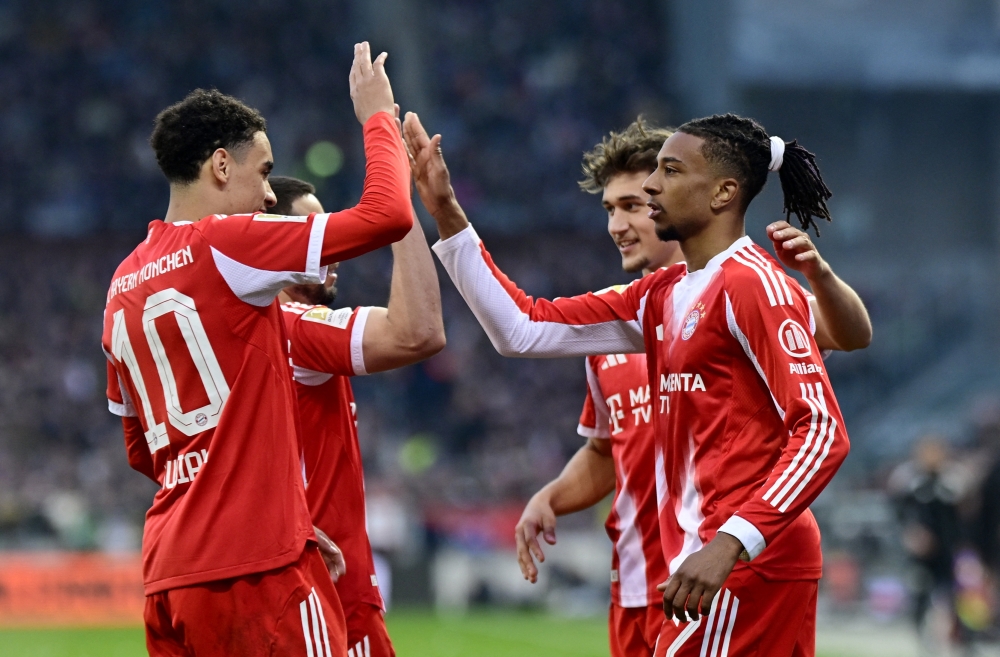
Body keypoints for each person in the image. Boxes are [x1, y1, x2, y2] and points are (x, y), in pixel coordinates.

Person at [405, 111, 852, 656]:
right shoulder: (662, 293)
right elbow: (520, 329)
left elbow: (823, 431)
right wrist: (446, 211)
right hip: (712, 556)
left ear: (723, 193)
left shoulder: (753, 285)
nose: (653, 186)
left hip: (738, 561)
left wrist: (733, 541)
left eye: (669, 172)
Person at [102, 43, 411, 656]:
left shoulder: (119, 286)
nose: (271, 195)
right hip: (258, 574)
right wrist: (378, 117)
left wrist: (274, 508)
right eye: (265, 171)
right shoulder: (229, 244)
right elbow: (386, 215)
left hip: (170, 578)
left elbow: (142, 449)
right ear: (221, 165)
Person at [270, 175, 445, 657]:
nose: (332, 248)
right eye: (313, 232)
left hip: (308, 581)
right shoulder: (292, 329)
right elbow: (418, 332)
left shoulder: (254, 332)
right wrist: (402, 212)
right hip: (327, 590)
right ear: (275, 241)